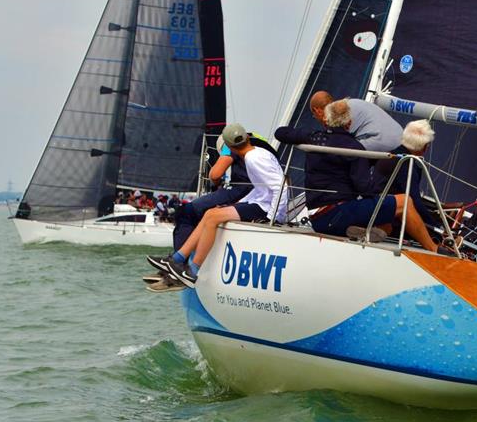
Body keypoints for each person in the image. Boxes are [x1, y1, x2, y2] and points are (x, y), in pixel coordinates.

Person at [276, 99, 444, 254]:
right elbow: (364, 188)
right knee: (404, 202)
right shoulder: (354, 148)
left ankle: (367, 233)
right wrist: (383, 199)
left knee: (387, 223)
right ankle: (434, 248)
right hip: (336, 215)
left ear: (326, 119)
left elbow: (280, 133)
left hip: (316, 217)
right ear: (349, 122)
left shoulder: (314, 138)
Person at [148, 123, 288, 289]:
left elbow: (281, 186)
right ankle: (177, 260)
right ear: (247, 137)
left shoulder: (253, 158)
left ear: (228, 146)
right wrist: (241, 203)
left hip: (265, 209)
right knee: (211, 213)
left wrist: (273, 217)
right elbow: (261, 189)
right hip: (258, 202)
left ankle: (192, 271)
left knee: (212, 217)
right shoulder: (256, 152)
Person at [171, 131, 278, 250]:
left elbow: (215, 175)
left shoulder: (230, 145)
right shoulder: (261, 143)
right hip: (262, 195)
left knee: (186, 211)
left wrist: (217, 183)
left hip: (241, 191)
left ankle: (180, 258)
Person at [373, 119, 440, 228]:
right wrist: (437, 226)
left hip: (377, 209)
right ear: (423, 146)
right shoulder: (406, 164)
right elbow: (415, 202)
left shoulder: (390, 155)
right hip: (391, 218)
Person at [309, 91, 403, 152]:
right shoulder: (351, 103)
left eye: (314, 116)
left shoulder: (337, 116)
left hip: (383, 141)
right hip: (400, 140)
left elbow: (335, 142)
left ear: (317, 111)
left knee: (343, 153)